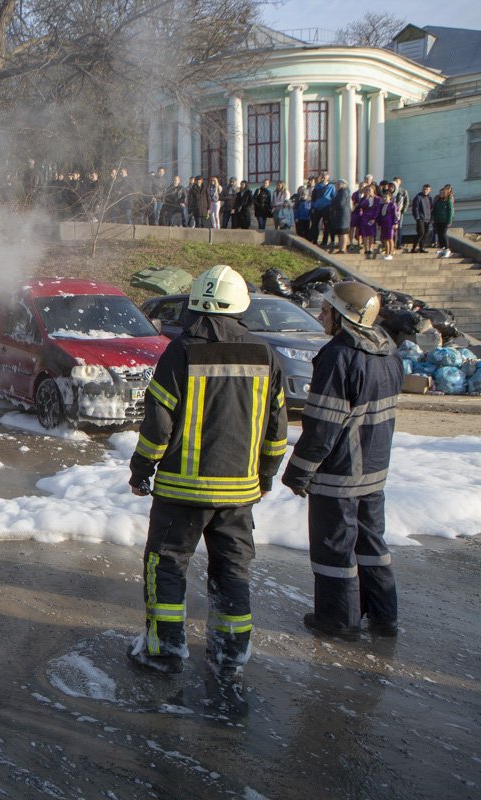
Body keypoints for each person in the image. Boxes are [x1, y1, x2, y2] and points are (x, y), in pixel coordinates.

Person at [127, 265, 288, 678]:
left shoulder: (180, 352)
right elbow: (277, 429)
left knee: (166, 565)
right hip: (238, 494)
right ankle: (230, 654)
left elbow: (158, 423)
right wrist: (266, 475)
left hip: (181, 492)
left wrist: (142, 468)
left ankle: (164, 650)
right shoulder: (265, 355)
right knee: (232, 571)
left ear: (196, 304)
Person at [282, 282, 402, 640]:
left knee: (334, 549)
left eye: (327, 311)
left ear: (345, 317)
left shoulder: (338, 356)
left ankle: (338, 620)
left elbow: (322, 426)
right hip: (374, 472)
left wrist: (298, 472)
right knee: (372, 545)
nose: (321, 316)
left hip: (339, 474)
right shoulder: (388, 351)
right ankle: (384, 616)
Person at [431, 185, 454, 258]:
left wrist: (449, 221)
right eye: (440, 193)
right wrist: (433, 219)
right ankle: (442, 247)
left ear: (446, 193)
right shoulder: (438, 200)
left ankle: (447, 249)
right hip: (438, 220)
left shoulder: (448, 200)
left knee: (443, 234)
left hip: (445, 220)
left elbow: (450, 211)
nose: (441, 194)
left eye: (442, 193)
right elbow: (434, 210)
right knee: (439, 234)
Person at [328, 179, 351, 254]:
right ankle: (341, 248)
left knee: (343, 232)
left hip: (343, 215)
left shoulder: (344, 192)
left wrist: (333, 207)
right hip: (339, 215)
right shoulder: (340, 192)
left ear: (343, 184)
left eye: (338, 184)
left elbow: (341, 203)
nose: (336, 186)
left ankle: (343, 249)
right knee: (340, 232)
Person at [410, 184, 433, 254]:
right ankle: (414, 248)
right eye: (424, 189)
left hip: (428, 219)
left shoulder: (429, 198)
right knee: (421, 233)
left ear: (429, 190)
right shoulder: (418, 197)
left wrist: (431, 218)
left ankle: (422, 247)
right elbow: (415, 208)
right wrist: (417, 217)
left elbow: (431, 208)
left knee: (426, 233)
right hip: (420, 218)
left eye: (427, 189)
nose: (425, 191)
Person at [377, 189, 399, 260]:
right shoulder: (382, 205)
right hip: (383, 223)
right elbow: (380, 215)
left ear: (390, 197)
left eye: (386, 197)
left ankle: (391, 253)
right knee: (385, 239)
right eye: (383, 197)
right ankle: (387, 252)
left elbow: (395, 215)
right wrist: (379, 224)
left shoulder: (392, 205)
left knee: (390, 238)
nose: (384, 198)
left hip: (390, 223)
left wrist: (395, 223)